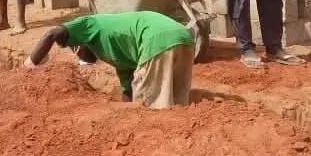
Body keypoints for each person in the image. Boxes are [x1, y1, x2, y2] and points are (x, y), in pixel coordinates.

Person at [23, 11, 196, 109]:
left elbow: (52, 33)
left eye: (78, 52)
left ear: (79, 43)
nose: (81, 56)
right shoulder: (120, 57)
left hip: (155, 40)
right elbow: (128, 92)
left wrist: (30, 65)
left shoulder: (90, 23)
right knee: (178, 102)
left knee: (151, 107)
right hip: (183, 36)